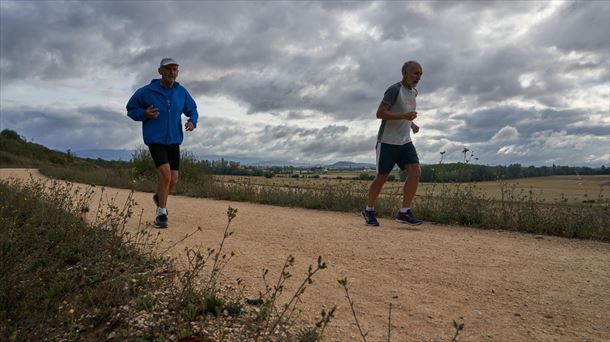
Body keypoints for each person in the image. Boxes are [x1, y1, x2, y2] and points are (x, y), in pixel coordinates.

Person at [127, 58, 199, 228]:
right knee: (165, 175)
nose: (172, 73)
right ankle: (161, 214)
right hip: (156, 139)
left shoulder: (181, 92)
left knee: (173, 180)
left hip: (174, 140)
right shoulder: (146, 91)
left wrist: (192, 121)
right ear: (160, 71)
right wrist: (144, 113)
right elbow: (131, 109)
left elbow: (193, 109)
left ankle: (159, 198)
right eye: (168, 69)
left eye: (175, 69)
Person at [362, 61, 423, 227]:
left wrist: (412, 124)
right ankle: (369, 209)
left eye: (420, 74)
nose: (418, 77)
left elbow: (403, 114)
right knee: (382, 177)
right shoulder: (394, 90)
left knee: (415, 171)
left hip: (405, 141)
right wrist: (405, 116)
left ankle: (404, 212)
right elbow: (380, 113)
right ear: (405, 73)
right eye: (415, 73)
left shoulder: (414, 93)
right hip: (387, 141)